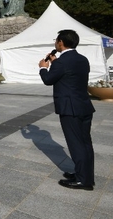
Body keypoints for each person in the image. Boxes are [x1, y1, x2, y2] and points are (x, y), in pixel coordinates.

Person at [39, 29, 95, 191]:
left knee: (76, 144)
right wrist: (55, 62)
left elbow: (49, 79)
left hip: (70, 109)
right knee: (85, 143)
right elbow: (68, 74)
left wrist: (43, 68)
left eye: (57, 40)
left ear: (61, 43)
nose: (56, 43)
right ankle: (83, 174)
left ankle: (83, 181)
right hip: (83, 105)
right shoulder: (82, 59)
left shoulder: (63, 62)